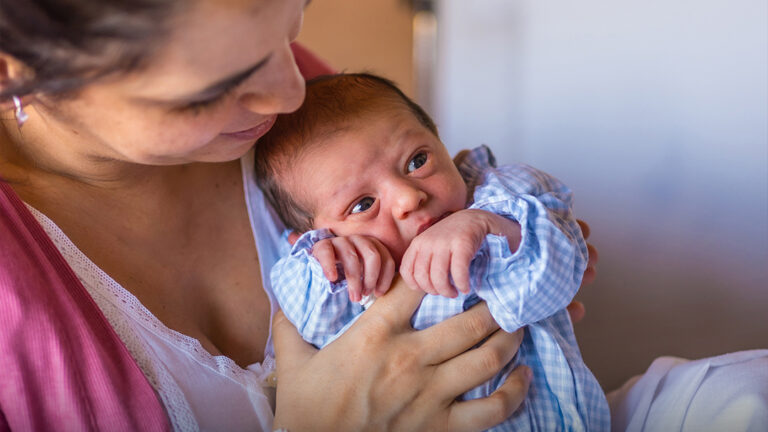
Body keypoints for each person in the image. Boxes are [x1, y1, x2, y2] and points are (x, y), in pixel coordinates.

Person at [1, 0, 765, 431]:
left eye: (290, 25)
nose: (292, 91)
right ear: (17, 72)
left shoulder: (312, 115)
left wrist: (515, 233)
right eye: (214, 89)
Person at [254, 72, 610, 431]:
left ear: (439, 141)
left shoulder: (499, 195)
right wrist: (329, 261)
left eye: (416, 161)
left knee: (667, 386)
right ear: (317, 233)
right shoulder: (345, 269)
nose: (409, 197)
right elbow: (307, 318)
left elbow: (561, 272)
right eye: (362, 204)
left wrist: (489, 225)